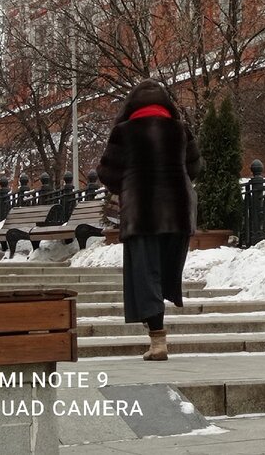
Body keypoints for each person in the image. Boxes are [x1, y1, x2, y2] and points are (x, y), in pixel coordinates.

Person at [97, 79, 202, 361]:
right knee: (164, 271)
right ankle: (156, 317)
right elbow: (195, 165)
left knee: (145, 274)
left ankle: (157, 340)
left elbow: (107, 173)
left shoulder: (124, 132)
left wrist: (129, 183)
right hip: (176, 212)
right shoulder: (180, 130)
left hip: (141, 213)